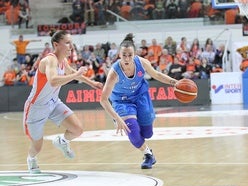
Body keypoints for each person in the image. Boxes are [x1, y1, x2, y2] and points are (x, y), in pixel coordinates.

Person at [23, 30, 103, 174]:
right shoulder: (49, 60)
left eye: (71, 43)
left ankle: (62, 141)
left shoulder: (63, 61)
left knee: (77, 129)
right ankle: (31, 158)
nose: (71, 46)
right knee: (37, 146)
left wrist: (92, 83)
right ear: (56, 44)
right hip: (36, 107)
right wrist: (76, 74)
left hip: (53, 103)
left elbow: (73, 72)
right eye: (67, 43)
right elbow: (53, 81)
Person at [100, 33, 179, 169]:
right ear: (119, 55)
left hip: (140, 96)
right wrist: (117, 118)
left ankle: (142, 136)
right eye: (124, 54)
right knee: (133, 132)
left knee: (147, 133)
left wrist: (175, 82)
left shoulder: (141, 62)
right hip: (122, 102)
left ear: (134, 54)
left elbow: (157, 75)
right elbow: (103, 99)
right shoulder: (114, 73)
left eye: (130, 55)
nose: (127, 58)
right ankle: (148, 154)